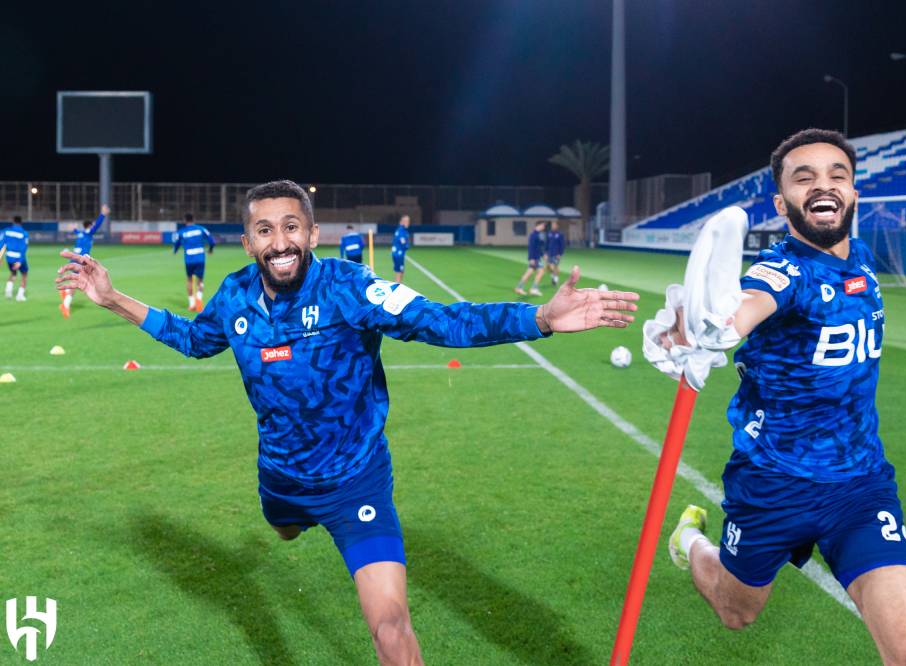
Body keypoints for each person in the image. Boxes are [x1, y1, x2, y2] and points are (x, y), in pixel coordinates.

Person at [56, 179, 639, 666]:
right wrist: (111, 299)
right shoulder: (234, 297)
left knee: (390, 625)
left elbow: (441, 322)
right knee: (283, 530)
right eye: (265, 229)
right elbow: (190, 338)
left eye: (291, 226)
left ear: (312, 234)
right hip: (281, 479)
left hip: (357, 479)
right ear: (247, 241)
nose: (279, 241)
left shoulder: (349, 287)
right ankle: (291, 524)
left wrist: (538, 316)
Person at [662, 129, 906, 665]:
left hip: (861, 488)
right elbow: (743, 308)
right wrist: (703, 328)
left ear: (854, 192)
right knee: (735, 612)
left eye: (837, 175)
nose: (822, 185)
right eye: (803, 177)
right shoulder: (782, 271)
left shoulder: (860, 259)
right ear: (781, 201)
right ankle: (692, 541)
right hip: (773, 484)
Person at [60, 204, 110, 318]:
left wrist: (73, 228)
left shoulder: (81, 233)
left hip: (74, 259)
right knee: (79, 282)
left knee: (79, 282)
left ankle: (66, 295)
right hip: (80, 260)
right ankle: (65, 304)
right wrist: (103, 214)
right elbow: (96, 226)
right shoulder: (88, 233)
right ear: (90, 225)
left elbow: (76, 231)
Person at [173, 213, 216, 312]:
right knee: (200, 281)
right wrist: (210, 250)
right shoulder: (201, 229)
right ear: (194, 219)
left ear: (184, 220)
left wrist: (175, 251)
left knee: (189, 280)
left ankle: (192, 304)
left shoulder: (181, 232)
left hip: (189, 259)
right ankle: (199, 300)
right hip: (200, 258)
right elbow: (212, 241)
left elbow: (177, 243)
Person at [514, 220, 547, 296]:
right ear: (538, 225)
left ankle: (520, 288)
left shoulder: (538, 234)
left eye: (544, 226)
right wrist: (531, 258)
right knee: (538, 272)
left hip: (537, 257)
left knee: (532, 272)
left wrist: (543, 255)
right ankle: (532, 289)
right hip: (534, 258)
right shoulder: (534, 235)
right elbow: (531, 248)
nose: (543, 227)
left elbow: (539, 247)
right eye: (542, 225)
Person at [3, 216, 29, 302]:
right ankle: (20, 296)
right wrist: (19, 261)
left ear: (13, 221)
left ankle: (8, 291)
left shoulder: (6, 231)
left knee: (13, 273)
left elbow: (2, 244)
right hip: (18, 257)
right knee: (24, 274)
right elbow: (24, 248)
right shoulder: (24, 233)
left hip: (9, 256)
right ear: (21, 222)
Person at [545, 220, 565, 286]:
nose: (553, 226)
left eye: (554, 225)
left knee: (555, 266)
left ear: (557, 226)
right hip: (549, 253)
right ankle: (554, 276)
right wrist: (545, 252)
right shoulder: (549, 233)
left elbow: (562, 244)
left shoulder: (560, 234)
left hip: (556, 254)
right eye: (552, 225)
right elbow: (547, 243)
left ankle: (555, 279)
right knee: (548, 267)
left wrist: (560, 253)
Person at [391, 215, 410, 282]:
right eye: (406, 221)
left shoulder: (401, 230)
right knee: (399, 272)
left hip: (397, 254)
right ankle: (397, 289)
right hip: (398, 254)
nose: (408, 223)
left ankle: (399, 286)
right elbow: (404, 243)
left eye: (408, 221)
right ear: (402, 222)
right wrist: (407, 246)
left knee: (401, 271)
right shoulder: (401, 231)